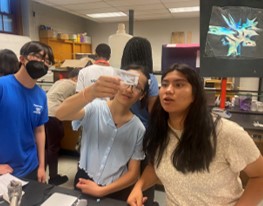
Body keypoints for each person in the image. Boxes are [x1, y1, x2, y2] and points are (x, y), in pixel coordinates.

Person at [127, 63, 263, 206]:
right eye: (165, 84)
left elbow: (260, 175)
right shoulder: (160, 131)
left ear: (195, 94)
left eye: (179, 85)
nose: (168, 90)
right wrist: (139, 186)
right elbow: (156, 165)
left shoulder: (225, 133)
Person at [55, 64, 150, 201]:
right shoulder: (95, 108)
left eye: (137, 86)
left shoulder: (138, 129)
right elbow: (60, 114)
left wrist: (101, 191)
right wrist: (90, 93)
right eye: (126, 81)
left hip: (116, 189)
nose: (129, 89)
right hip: (85, 181)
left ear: (142, 95)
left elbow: (133, 173)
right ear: (116, 81)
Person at [0, 41, 54, 182]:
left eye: (47, 60)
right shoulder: (2, 86)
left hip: (31, 167)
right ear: (22, 59)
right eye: (37, 56)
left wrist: (42, 166)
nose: (42, 62)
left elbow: (40, 131)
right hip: (4, 170)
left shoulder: (41, 95)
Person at [121, 36, 159, 206]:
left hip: (121, 132)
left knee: (122, 174)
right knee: (143, 177)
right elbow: (154, 111)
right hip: (145, 136)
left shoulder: (122, 75)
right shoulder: (149, 78)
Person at [45, 68, 79, 185]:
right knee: (54, 147)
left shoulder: (59, 82)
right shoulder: (74, 85)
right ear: (76, 78)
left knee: (46, 146)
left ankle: (41, 174)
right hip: (53, 114)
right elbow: (77, 102)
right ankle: (53, 178)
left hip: (44, 113)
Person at [121, 36, 159, 128]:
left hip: (121, 127)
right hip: (144, 130)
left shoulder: (120, 76)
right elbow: (153, 113)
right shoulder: (150, 79)